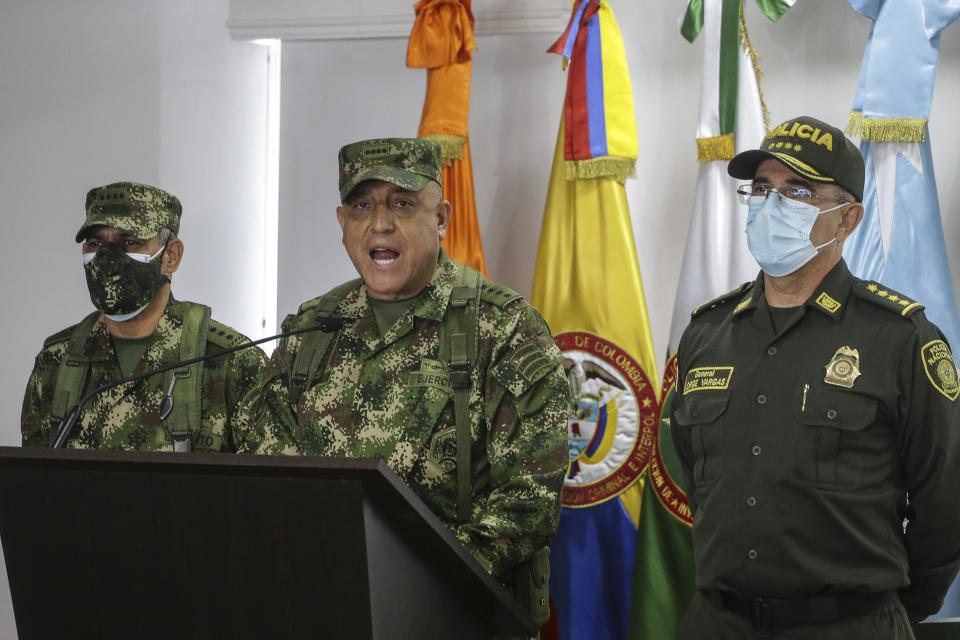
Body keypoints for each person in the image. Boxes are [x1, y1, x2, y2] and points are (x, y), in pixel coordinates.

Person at [240, 138, 569, 606]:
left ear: (441, 219)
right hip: (323, 606)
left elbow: (528, 505)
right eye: (361, 205)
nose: (380, 224)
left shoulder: (504, 329)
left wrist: (404, 584)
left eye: (403, 204)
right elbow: (270, 475)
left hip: (452, 613)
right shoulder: (310, 330)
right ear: (342, 222)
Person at [671, 116, 960, 638]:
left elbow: (946, 501)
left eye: (797, 191)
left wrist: (885, 611)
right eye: (761, 188)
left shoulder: (900, 338)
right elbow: (696, 478)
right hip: (717, 624)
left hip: (846, 626)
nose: (770, 204)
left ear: (848, 220)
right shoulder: (707, 333)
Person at [21, 181, 266, 452]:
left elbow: (263, 488)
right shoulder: (56, 363)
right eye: (95, 243)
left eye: (130, 242)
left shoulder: (232, 361)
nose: (106, 257)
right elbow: (35, 484)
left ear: (171, 256)